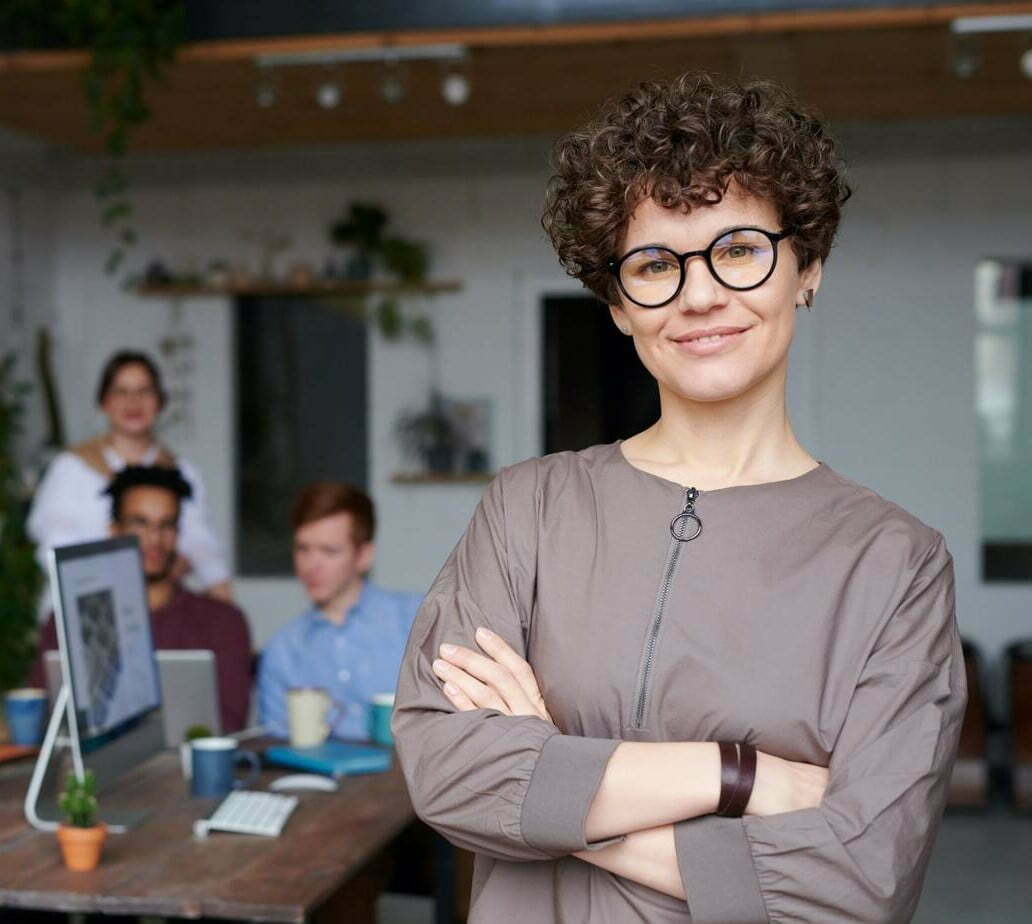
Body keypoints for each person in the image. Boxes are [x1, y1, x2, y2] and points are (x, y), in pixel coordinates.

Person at [392, 73, 966, 923]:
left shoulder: (895, 564)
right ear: (619, 306)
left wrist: (552, 794)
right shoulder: (527, 511)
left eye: (738, 250)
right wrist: (739, 776)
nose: (699, 295)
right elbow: (448, 772)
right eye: (656, 265)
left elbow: (857, 886)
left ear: (807, 268)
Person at [29, 466, 252, 732]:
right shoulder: (68, 620)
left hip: (185, 758)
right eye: (140, 523)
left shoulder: (223, 622)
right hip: (96, 758)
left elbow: (229, 725)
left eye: (166, 525)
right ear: (114, 531)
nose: (154, 538)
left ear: (178, 533)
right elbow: (39, 721)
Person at [27, 350, 231, 600]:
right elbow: (54, 544)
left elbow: (199, 543)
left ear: (160, 401)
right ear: (104, 402)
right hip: (83, 599)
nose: (133, 402)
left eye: (144, 391)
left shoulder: (180, 472)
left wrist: (217, 586)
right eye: (121, 392)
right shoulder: (71, 467)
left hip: (156, 605)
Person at [257, 482, 421, 741]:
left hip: (411, 767)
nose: (311, 565)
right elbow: (275, 745)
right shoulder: (283, 649)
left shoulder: (415, 619)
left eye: (329, 551)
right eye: (303, 549)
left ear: (364, 555)